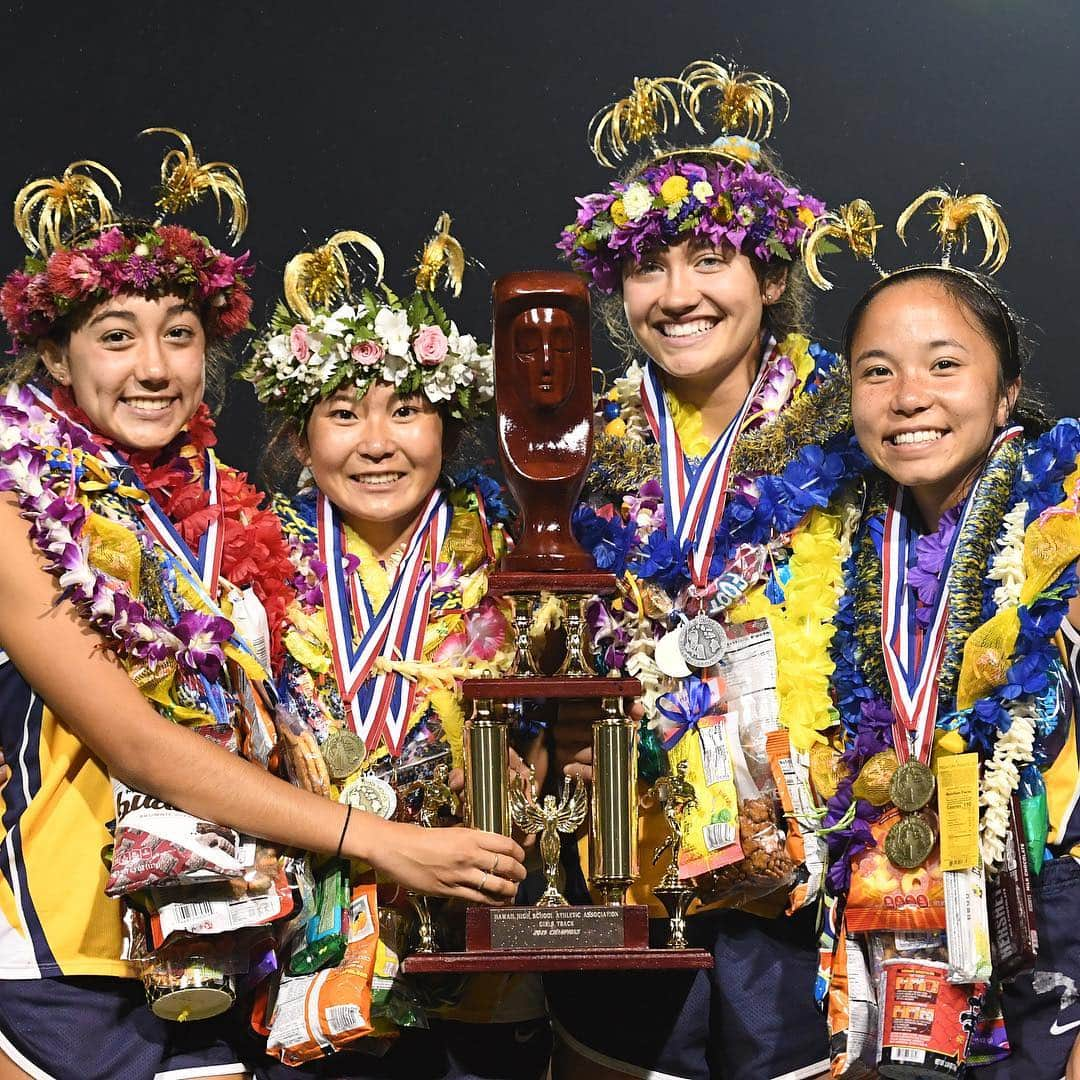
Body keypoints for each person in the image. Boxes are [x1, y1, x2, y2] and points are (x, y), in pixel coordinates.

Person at [0, 143, 524, 1080]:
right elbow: (137, 745)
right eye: (115, 335)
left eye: (180, 334)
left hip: (224, 946)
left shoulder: (222, 504)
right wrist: (384, 841)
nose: (153, 366)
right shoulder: (16, 500)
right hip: (66, 957)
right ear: (52, 352)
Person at [546, 58, 861, 1080]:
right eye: (647, 266)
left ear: (773, 277)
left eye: (712, 259)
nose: (677, 295)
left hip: (807, 868)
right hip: (635, 869)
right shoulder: (576, 454)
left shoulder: (858, 428)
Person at [241, 224, 550, 1077]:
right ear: (301, 441)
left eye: (405, 410)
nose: (376, 442)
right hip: (301, 952)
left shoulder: (518, 555)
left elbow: (563, 735)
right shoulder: (247, 559)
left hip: (482, 951)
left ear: (450, 427)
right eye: (343, 414)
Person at [804, 189, 1080, 1079]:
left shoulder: (1066, 530)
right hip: (896, 933)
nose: (907, 396)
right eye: (876, 371)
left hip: (1056, 929)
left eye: (944, 364)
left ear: (1007, 395)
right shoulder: (848, 540)